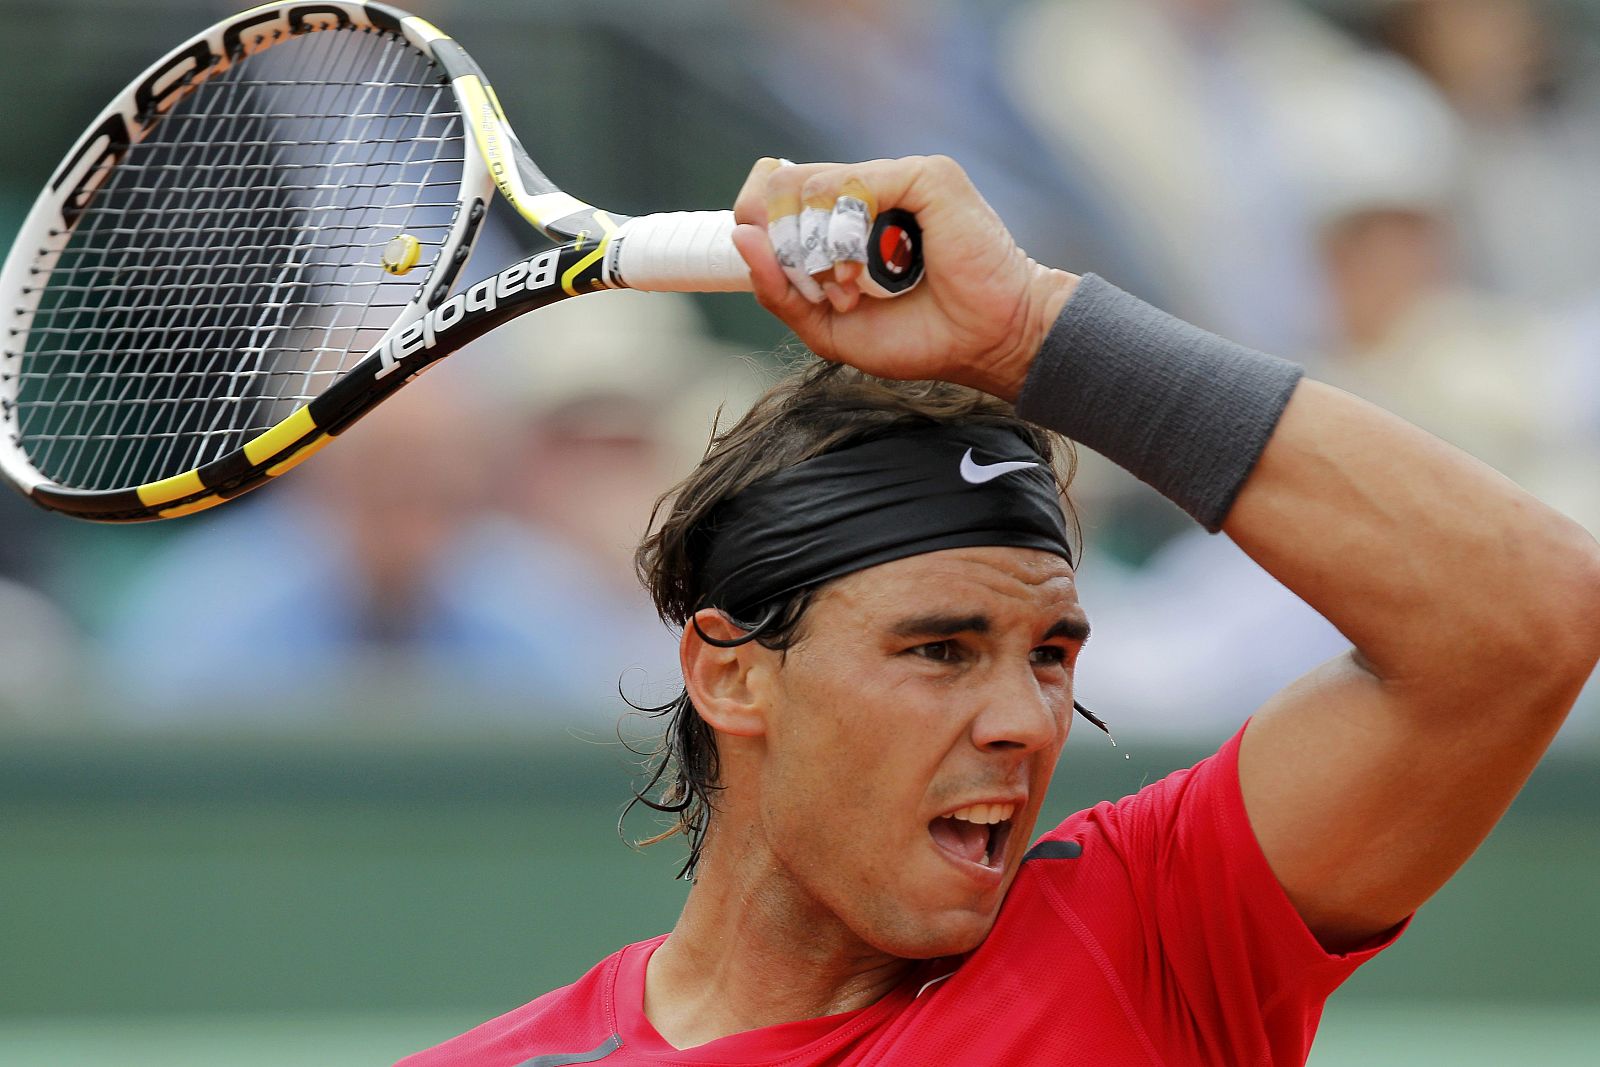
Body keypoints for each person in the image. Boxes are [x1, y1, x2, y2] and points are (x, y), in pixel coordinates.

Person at [396, 156, 1600, 1065]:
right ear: (732, 674)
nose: (1026, 720)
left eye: (1051, 653)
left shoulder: (1148, 935)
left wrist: (1030, 328)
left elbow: (1525, 613)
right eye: (939, 647)